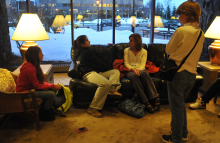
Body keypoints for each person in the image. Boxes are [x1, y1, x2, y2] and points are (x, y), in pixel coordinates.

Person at [161, 1, 205, 143]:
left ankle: (176, 138)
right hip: (192, 75)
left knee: (176, 108)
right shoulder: (200, 33)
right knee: (181, 106)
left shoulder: (181, 31)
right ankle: (184, 133)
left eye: (180, 15)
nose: (178, 17)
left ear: (186, 15)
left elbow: (168, 50)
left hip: (178, 74)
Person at [73, 35, 122, 118]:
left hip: (96, 73)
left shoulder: (85, 50)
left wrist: (110, 46)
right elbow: (98, 63)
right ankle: (92, 108)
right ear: (82, 44)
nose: (89, 41)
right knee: (105, 84)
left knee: (115, 72)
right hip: (88, 74)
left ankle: (112, 89)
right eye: (87, 40)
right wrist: (108, 68)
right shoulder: (85, 52)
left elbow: (97, 61)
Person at [16, 46, 62, 121]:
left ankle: (48, 109)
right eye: (41, 53)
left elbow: (37, 83)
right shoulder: (30, 69)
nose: (43, 55)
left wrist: (50, 86)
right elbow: (37, 86)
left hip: (30, 89)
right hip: (24, 93)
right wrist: (52, 85)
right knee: (51, 94)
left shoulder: (33, 66)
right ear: (35, 56)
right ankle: (43, 113)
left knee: (53, 89)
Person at [124, 33, 160, 114]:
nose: (129, 42)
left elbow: (143, 64)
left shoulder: (144, 51)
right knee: (133, 76)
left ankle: (156, 98)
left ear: (137, 42)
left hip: (141, 69)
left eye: (131, 41)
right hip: (130, 70)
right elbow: (126, 63)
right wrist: (133, 70)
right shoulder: (126, 50)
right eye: (129, 40)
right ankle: (146, 102)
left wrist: (138, 70)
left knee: (144, 73)